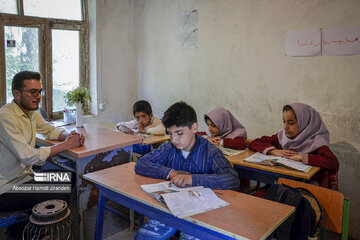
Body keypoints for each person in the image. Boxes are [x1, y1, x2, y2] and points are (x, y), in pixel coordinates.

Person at [134, 102, 239, 240]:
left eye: (179, 133)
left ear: (194, 128)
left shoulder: (210, 152)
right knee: (145, 237)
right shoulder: (169, 147)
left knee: (190, 236)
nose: (175, 140)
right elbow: (141, 164)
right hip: (171, 209)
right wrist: (171, 173)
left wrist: (192, 179)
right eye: (170, 134)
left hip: (202, 213)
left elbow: (232, 179)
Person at [0, 71, 85, 211]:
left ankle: (32, 224)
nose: (38, 97)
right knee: (61, 190)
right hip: (7, 188)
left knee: (70, 178)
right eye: (33, 92)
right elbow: (28, 157)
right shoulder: (6, 117)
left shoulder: (32, 112)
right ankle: (33, 231)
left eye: (40, 92)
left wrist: (71, 137)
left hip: (26, 177)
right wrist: (67, 145)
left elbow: (48, 129)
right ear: (17, 94)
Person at [249, 102, 339, 189]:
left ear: (305, 123)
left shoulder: (317, 142)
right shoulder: (282, 137)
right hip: (284, 187)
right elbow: (254, 143)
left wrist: (301, 157)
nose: (285, 127)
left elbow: (333, 163)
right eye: (284, 122)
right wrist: (273, 151)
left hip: (308, 192)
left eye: (291, 123)